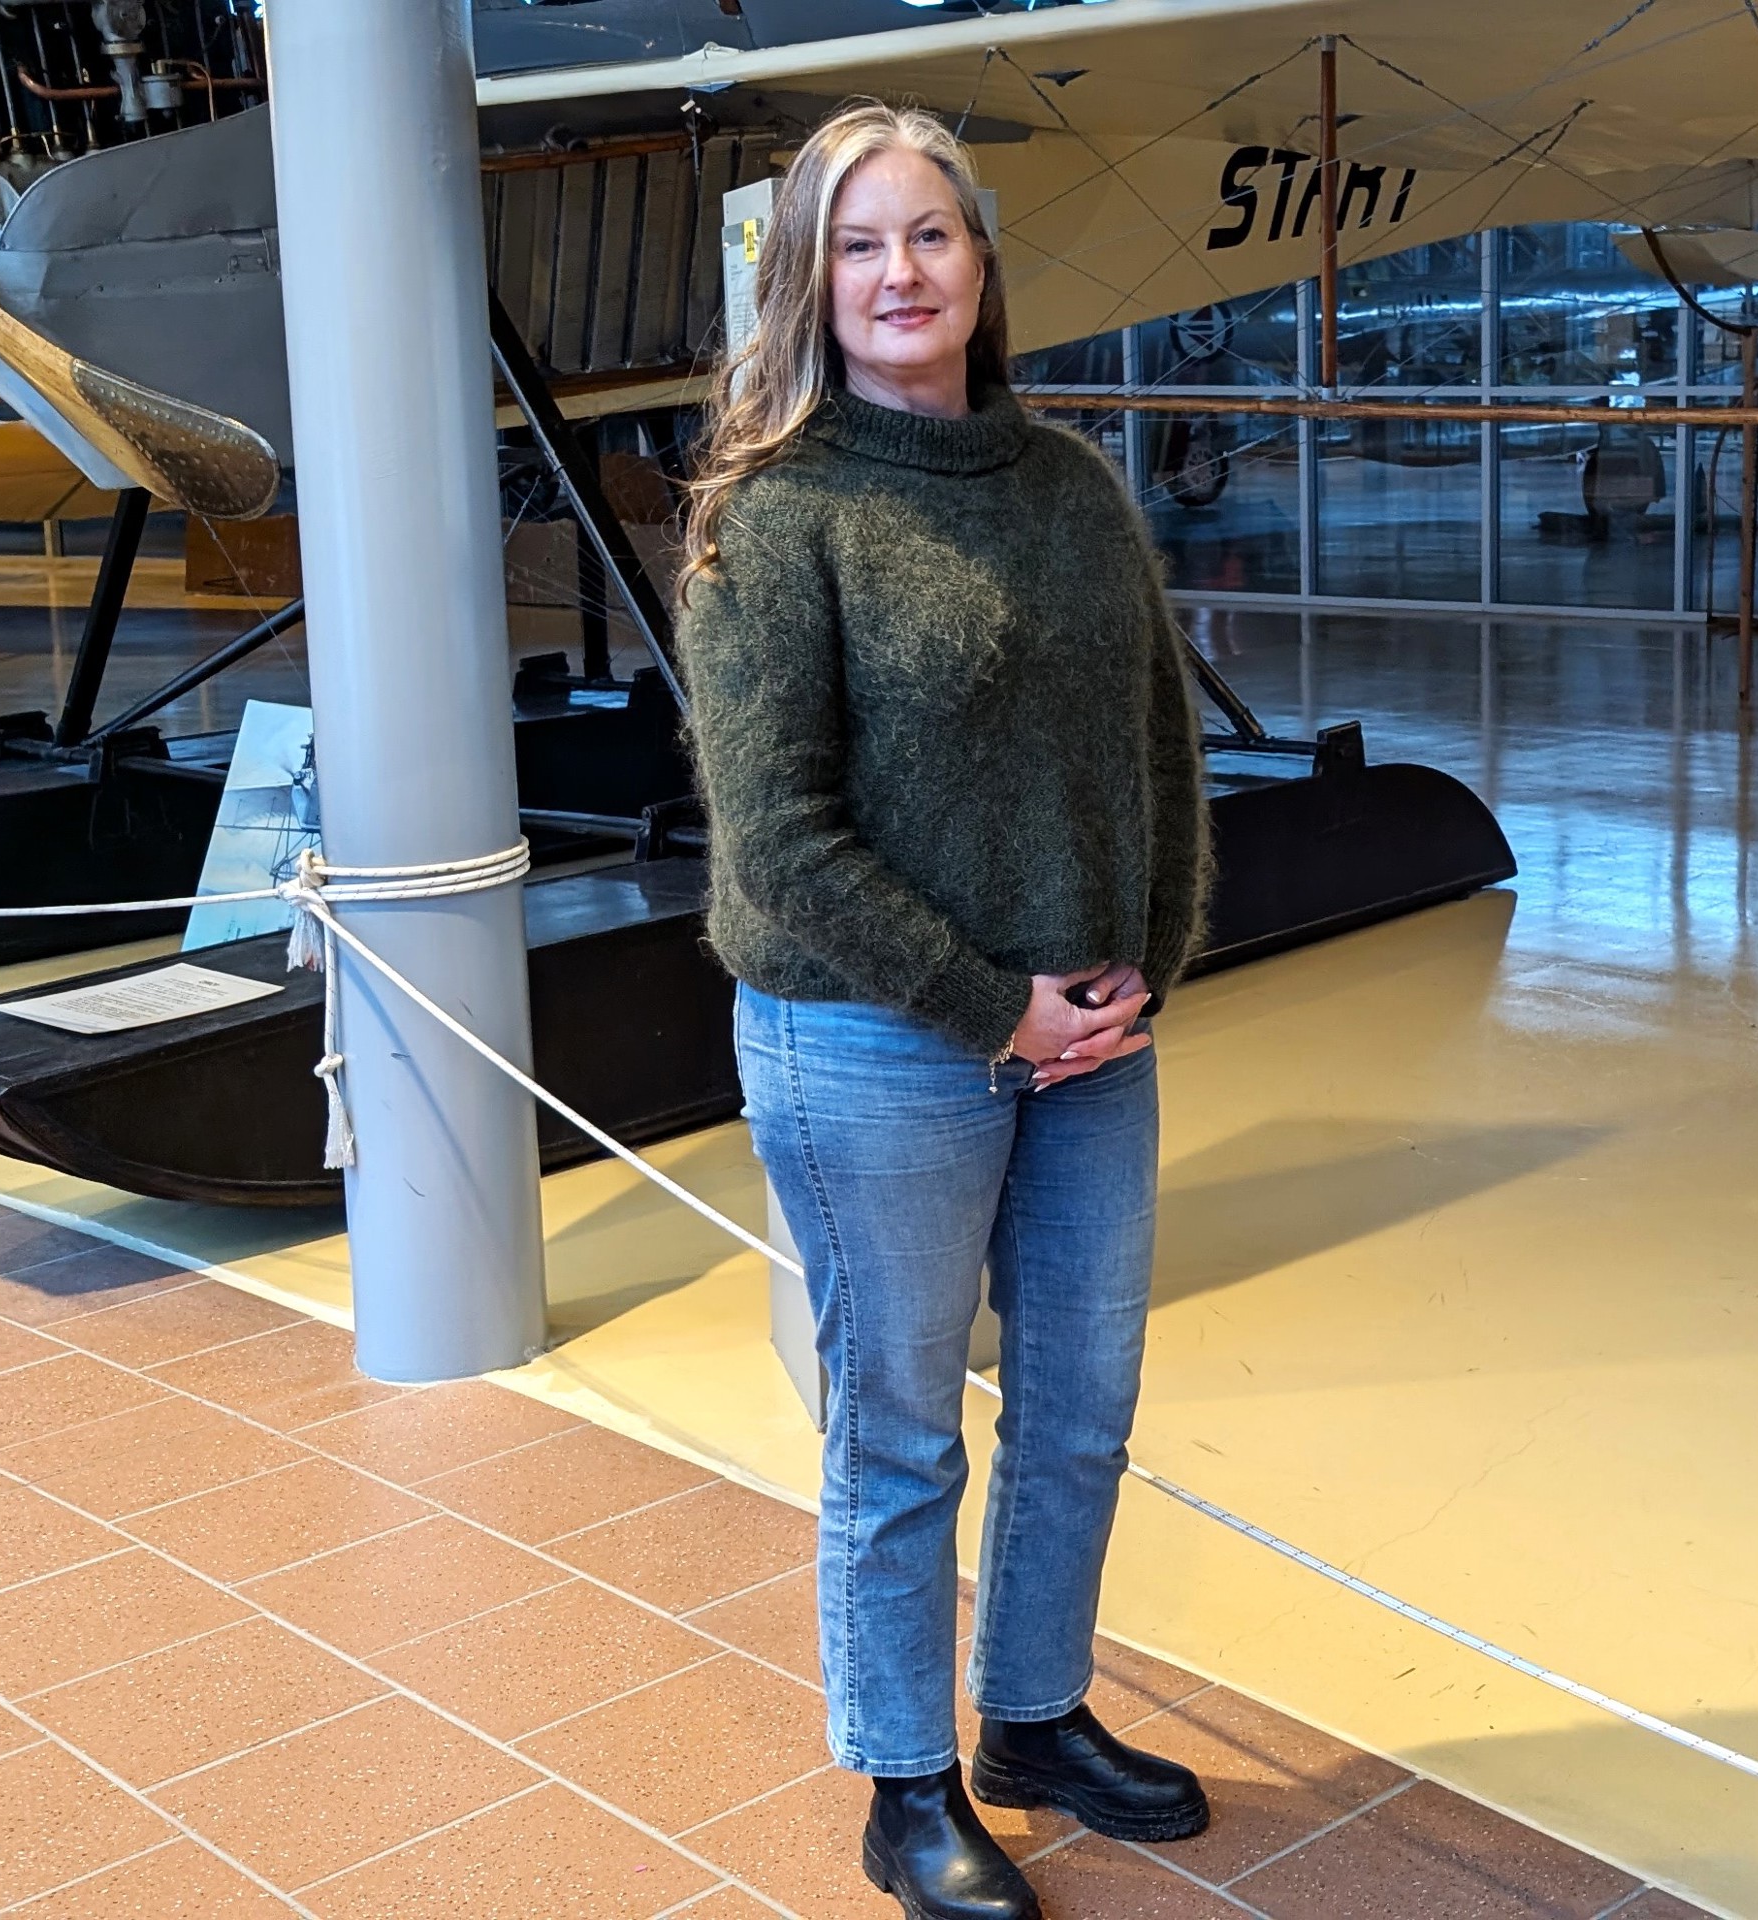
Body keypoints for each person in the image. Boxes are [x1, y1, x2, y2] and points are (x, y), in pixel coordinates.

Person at [673, 101, 1215, 1920]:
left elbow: (1159, 746)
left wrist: (1146, 960)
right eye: (858, 243)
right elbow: (780, 844)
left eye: (929, 234)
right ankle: (904, 1782)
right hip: (878, 1044)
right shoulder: (777, 517)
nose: (899, 273)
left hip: (1090, 1044)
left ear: (981, 260)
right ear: (806, 282)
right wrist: (996, 1006)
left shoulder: (1067, 487)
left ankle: (1034, 1718)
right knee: (900, 1431)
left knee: (1081, 1408)